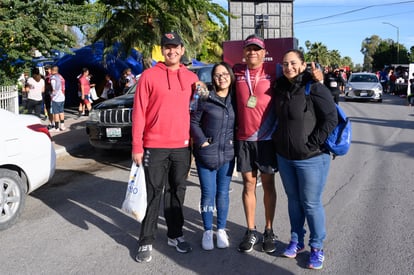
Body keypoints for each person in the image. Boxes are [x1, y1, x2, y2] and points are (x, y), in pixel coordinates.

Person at [131, 32, 199, 263]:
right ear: (162, 50)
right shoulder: (149, 76)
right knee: (153, 194)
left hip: (182, 147)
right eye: (167, 47)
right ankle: (146, 240)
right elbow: (139, 111)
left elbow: (196, 111)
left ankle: (175, 234)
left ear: (182, 49)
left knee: (177, 192)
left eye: (175, 47)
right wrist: (137, 146)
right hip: (155, 145)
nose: (171, 51)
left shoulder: (191, 78)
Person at [272, 49, 338, 270]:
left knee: (310, 203)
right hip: (285, 157)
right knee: (293, 201)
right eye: (284, 63)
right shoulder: (280, 88)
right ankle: (297, 241)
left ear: (302, 65)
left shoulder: (314, 87)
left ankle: (317, 247)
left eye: (293, 63)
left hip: (312, 158)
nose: (288, 67)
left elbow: (331, 119)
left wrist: (312, 144)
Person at [232, 34, 279, 254]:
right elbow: (219, 80)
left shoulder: (274, 72)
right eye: (248, 49)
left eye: (257, 49)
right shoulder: (237, 72)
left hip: (267, 139)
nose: (252, 52)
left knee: (268, 185)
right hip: (244, 140)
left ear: (264, 52)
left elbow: (297, 77)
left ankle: (269, 230)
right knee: (248, 186)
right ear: (244, 52)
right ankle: (251, 230)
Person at [190, 62, 236, 250]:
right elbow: (193, 121)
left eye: (225, 74)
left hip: (227, 154)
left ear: (231, 76)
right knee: (208, 193)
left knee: (223, 193)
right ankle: (208, 230)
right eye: (217, 75)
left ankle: (222, 230)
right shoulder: (205, 98)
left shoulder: (236, 99)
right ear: (213, 78)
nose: (221, 78)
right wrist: (202, 142)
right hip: (206, 154)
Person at [50, 65, 66, 131]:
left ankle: (56, 127)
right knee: (61, 111)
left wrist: (51, 95)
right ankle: (62, 126)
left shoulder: (53, 78)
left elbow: (54, 89)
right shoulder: (61, 77)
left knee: (56, 113)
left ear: (53, 70)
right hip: (62, 96)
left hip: (56, 98)